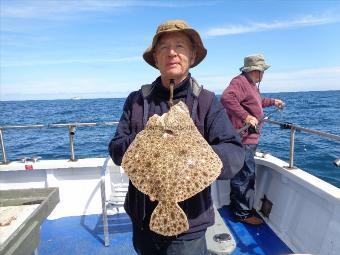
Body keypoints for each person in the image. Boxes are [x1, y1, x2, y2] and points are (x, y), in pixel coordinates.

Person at [108, 20, 245, 255]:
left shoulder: (207, 102)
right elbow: (116, 151)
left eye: (180, 46)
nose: (172, 53)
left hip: (189, 226)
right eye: (164, 48)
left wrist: (196, 157)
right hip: (142, 220)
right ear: (156, 59)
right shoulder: (137, 101)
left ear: (191, 56)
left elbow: (234, 154)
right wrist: (145, 137)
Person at [220, 54, 284, 225]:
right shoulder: (240, 82)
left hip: (250, 139)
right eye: (263, 71)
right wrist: (246, 117)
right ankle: (242, 213)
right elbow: (226, 98)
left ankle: (240, 207)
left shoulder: (251, 85)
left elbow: (255, 102)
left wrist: (273, 102)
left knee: (243, 174)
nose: (264, 74)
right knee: (245, 175)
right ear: (257, 70)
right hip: (244, 138)